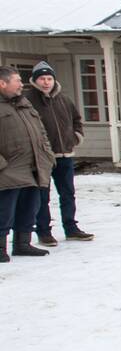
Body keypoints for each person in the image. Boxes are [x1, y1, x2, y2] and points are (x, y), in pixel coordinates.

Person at [23, 61, 94, 244]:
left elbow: (77, 119)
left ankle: (71, 228)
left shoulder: (64, 99)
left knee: (67, 193)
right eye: (42, 78)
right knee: (42, 196)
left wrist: (76, 137)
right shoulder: (28, 101)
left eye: (49, 78)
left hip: (65, 155)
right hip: (42, 158)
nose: (46, 82)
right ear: (35, 80)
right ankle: (44, 231)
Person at [0, 66, 55, 261]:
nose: (21, 85)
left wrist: (47, 155)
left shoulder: (24, 104)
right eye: (17, 81)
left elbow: (41, 132)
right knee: (4, 211)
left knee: (29, 208)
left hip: (33, 168)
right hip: (8, 172)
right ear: (2, 83)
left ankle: (22, 244)